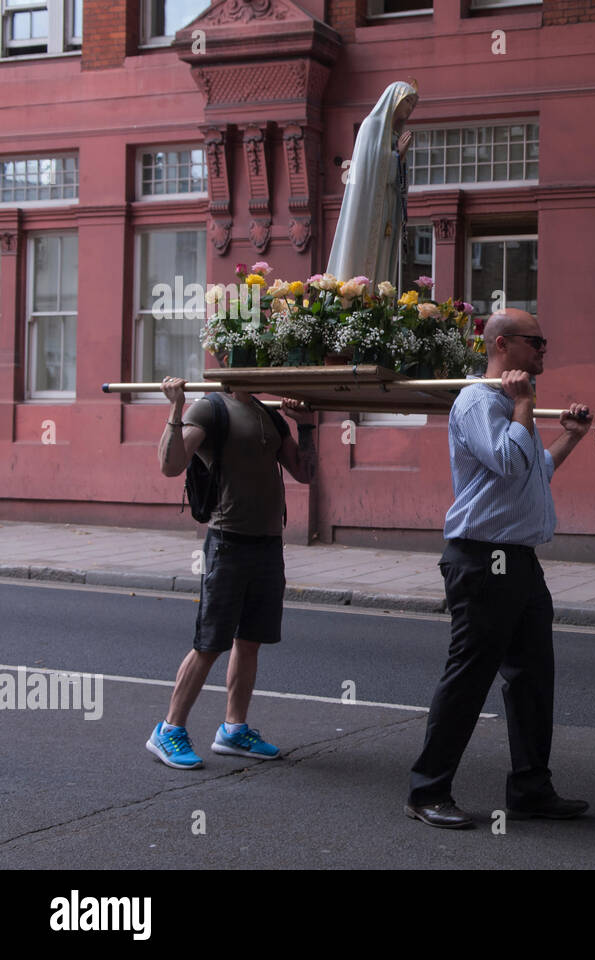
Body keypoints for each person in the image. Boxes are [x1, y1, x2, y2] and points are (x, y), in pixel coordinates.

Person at [406, 308, 592, 829]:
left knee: (533, 677)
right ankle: (427, 792)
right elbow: (508, 461)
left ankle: (531, 789)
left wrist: (571, 436)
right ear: (503, 344)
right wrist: (526, 403)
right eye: (537, 342)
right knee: (468, 678)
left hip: (520, 561)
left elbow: (533, 472)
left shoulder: (511, 406)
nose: (543, 352)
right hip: (483, 557)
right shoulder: (476, 402)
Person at [145, 377, 317, 769]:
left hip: (268, 544)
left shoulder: (270, 416)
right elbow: (169, 466)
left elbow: (305, 473)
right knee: (210, 643)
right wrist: (175, 409)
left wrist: (304, 424)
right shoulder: (210, 408)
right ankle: (168, 730)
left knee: (251, 639)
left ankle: (234, 730)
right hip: (227, 543)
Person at [326, 80, 418, 291]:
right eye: (408, 102)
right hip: (369, 206)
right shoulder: (372, 126)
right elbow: (374, 168)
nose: (410, 108)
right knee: (365, 254)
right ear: (394, 100)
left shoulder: (395, 135)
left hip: (388, 205)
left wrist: (399, 158)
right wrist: (398, 155)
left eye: (413, 104)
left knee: (383, 257)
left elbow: (398, 177)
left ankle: (376, 297)